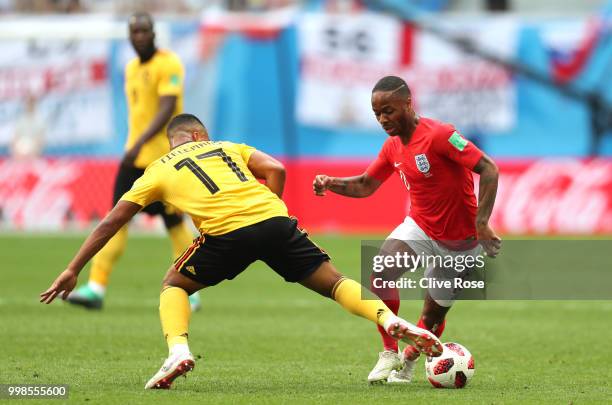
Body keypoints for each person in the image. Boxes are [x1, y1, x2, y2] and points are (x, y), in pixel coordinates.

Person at [40, 113, 444, 390]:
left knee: (173, 284)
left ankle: (178, 351)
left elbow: (113, 219)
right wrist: (270, 216)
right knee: (335, 282)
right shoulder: (226, 147)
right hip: (274, 220)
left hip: (226, 236)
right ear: (201, 135)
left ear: (174, 142)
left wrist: (74, 268)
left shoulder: (160, 168)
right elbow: (277, 170)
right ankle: (388, 319)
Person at [312, 76, 501, 384]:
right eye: (377, 114)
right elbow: (365, 185)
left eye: (389, 110)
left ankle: (408, 362)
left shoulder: (441, 135)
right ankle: (388, 352)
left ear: (408, 104)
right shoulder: (392, 147)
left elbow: (489, 168)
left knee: (431, 318)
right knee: (381, 270)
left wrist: (482, 224)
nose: (383, 119)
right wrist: (331, 183)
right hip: (421, 227)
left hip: (461, 243)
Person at [67, 12, 200, 311]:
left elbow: (167, 108)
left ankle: (190, 291)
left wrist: (140, 141)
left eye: (144, 30)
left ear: (153, 33)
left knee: (175, 223)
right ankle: (96, 288)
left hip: (166, 161)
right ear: (129, 36)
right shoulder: (130, 69)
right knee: (115, 220)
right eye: (134, 31)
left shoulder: (169, 64)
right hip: (134, 159)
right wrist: (135, 144)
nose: (139, 36)